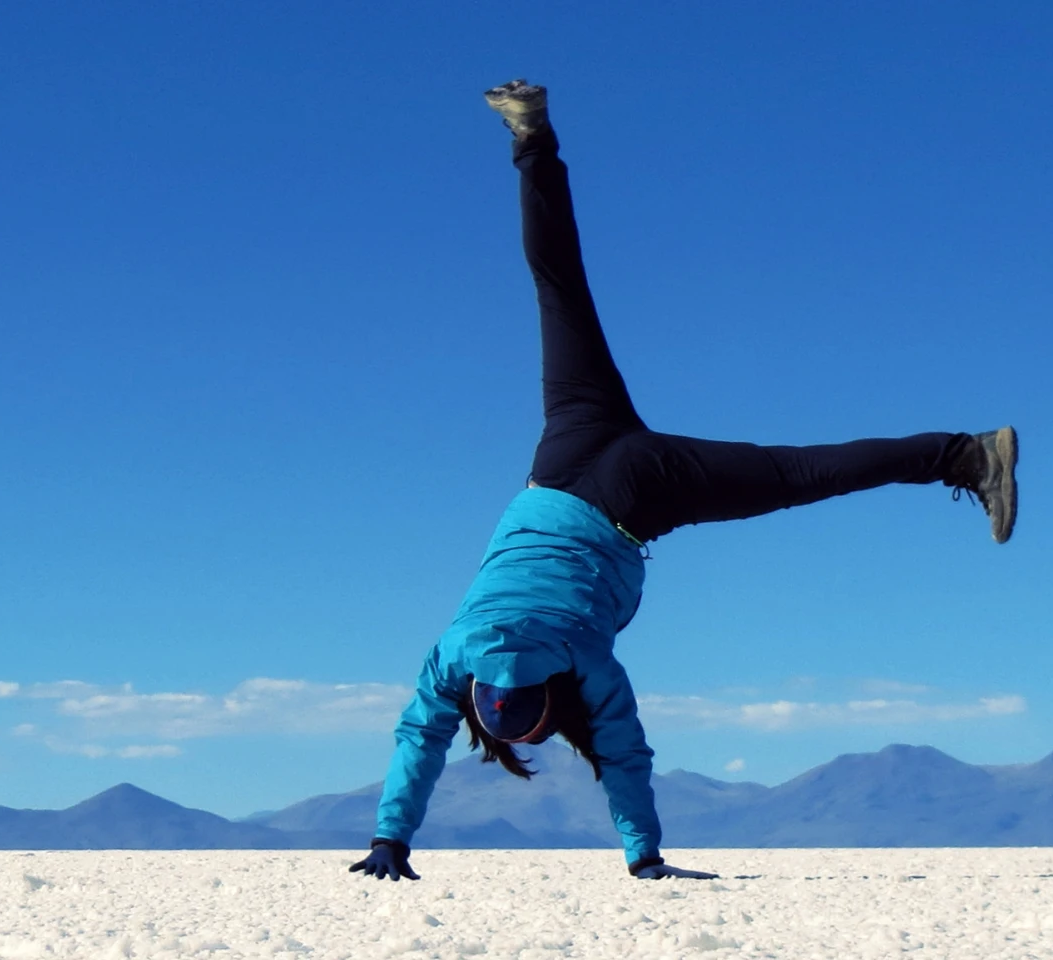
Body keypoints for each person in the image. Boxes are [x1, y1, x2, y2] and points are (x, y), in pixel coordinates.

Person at [348, 79, 1018, 882]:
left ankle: (965, 454)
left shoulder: (580, 658)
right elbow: (416, 735)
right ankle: (531, 140)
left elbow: (620, 754)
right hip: (557, 464)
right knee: (559, 292)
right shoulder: (454, 653)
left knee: (799, 474)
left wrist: (645, 857)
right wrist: (389, 839)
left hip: (635, 499)